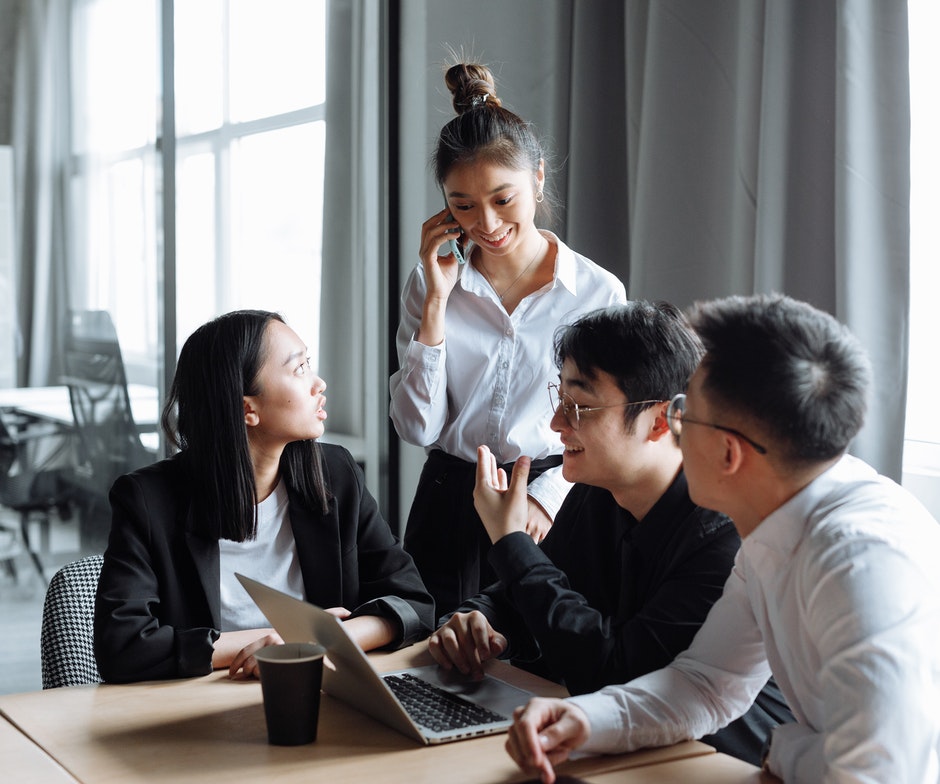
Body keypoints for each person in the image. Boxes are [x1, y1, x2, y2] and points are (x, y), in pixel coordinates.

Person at [505, 294, 940, 784]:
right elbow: (707, 684)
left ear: (729, 453)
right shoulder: (773, 519)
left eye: (686, 413)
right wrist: (588, 720)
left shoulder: (861, 567)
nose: (670, 426)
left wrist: (791, 754)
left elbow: (875, 775)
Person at [428, 302, 791, 765]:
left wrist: (511, 540)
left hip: (719, 763)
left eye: (580, 406)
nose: (558, 423)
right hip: (617, 752)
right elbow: (528, 597)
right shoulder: (598, 491)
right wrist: (479, 620)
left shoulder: (722, 534)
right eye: (559, 398)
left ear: (661, 421)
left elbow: (619, 675)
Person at [389, 61, 626, 615]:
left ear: (538, 178)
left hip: (550, 501)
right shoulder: (430, 283)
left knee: (538, 662)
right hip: (449, 500)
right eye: (462, 205)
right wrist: (437, 304)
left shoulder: (597, 292)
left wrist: (546, 502)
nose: (486, 224)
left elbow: (606, 419)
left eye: (503, 199)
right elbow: (416, 426)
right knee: (433, 661)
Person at [95, 310, 434, 683]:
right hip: (197, 711)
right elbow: (122, 647)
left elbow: (414, 604)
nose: (318, 383)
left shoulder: (336, 474)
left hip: (318, 696)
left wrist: (321, 640)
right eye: (299, 369)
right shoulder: (147, 500)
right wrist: (271, 641)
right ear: (247, 409)